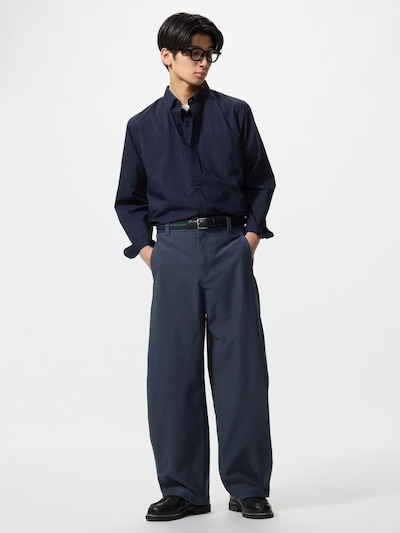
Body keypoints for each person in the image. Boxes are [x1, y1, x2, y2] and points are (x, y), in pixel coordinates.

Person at [115, 12, 276, 522]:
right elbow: (129, 199)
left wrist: (250, 238)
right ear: (167, 56)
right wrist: (150, 252)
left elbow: (261, 180)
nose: (203, 62)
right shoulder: (142, 126)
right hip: (174, 251)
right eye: (194, 53)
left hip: (230, 245)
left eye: (210, 54)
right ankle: (183, 489)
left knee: (241, 369)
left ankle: (247, 487)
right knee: (172, 371)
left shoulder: (235, 113)